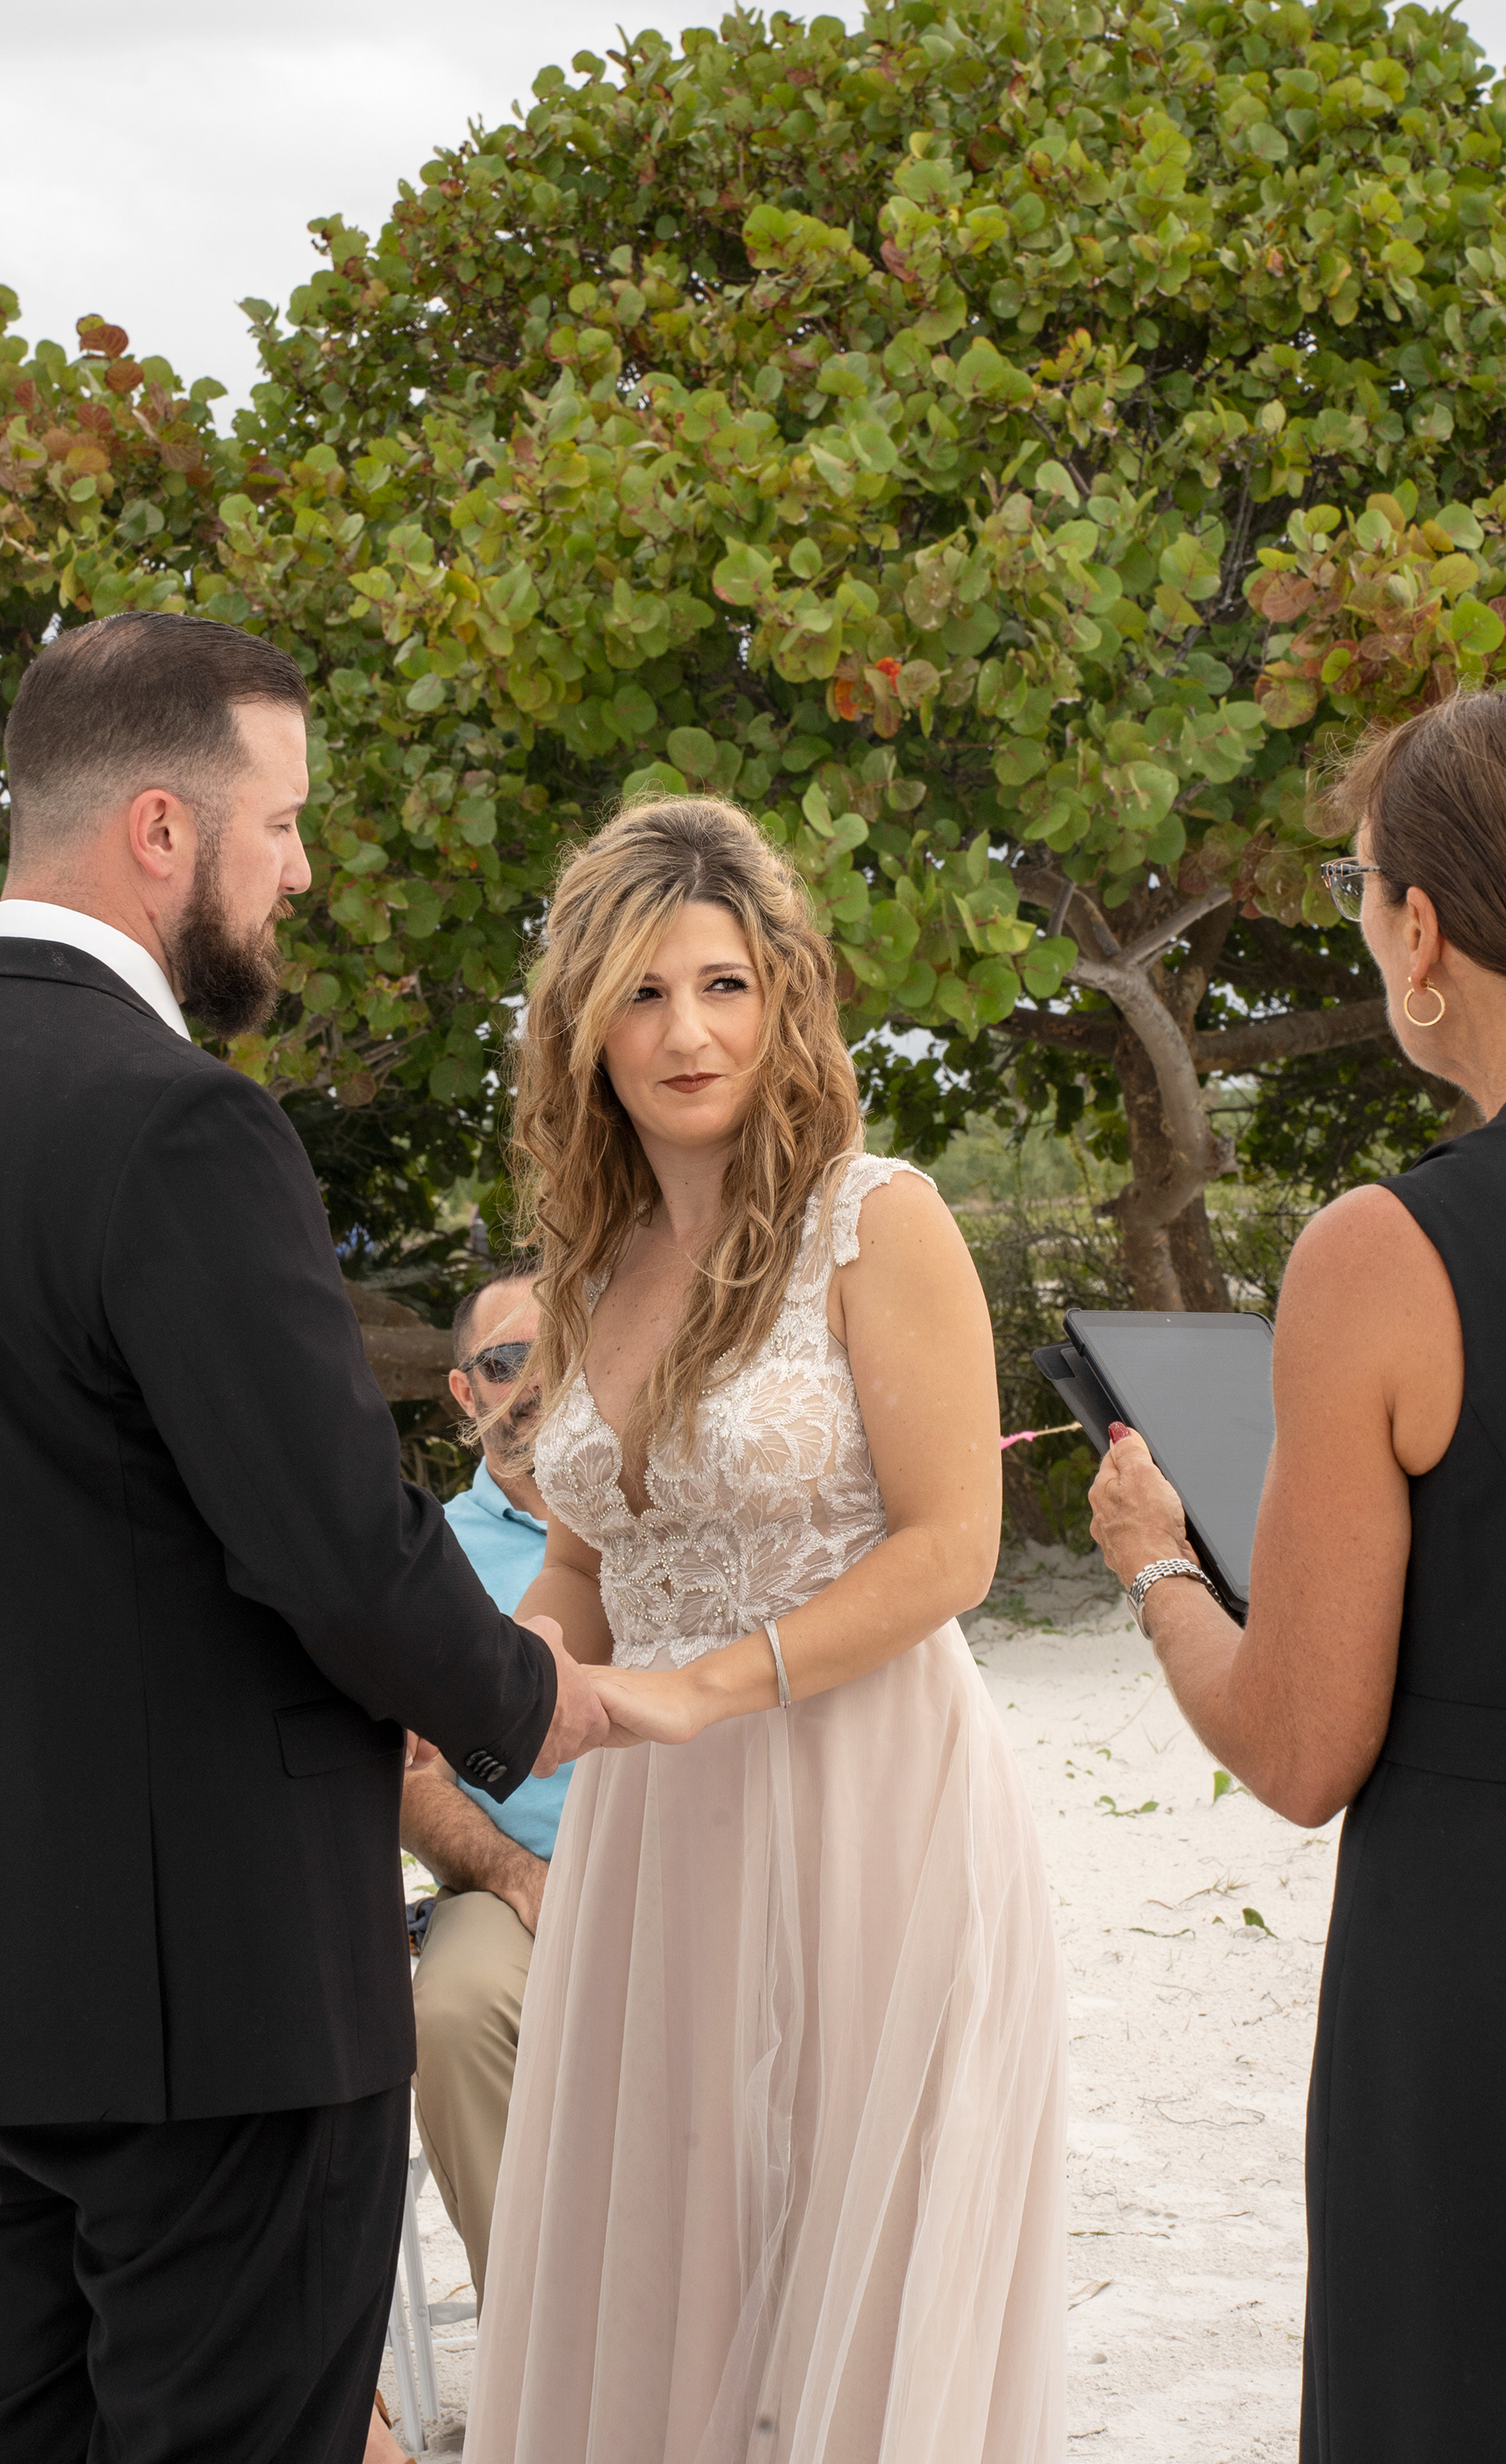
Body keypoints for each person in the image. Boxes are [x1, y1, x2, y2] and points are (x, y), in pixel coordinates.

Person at [0, 611, 606, 2464]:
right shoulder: (180, 1127)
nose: (302, 870)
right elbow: (335, 1547)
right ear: (163, 830)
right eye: (282, 823)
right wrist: (533, 1697)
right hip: (218, 1994)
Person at [463, 798, 1066, 2464]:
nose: (688, 1034)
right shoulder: (590, 1271)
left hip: (872, 1811)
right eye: (644, 996)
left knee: (845, 2292)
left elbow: (954, 1547)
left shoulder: (879, 1219)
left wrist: (696, 1691)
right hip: (657, 1846)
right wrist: (518, 1662)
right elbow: (582, 1564)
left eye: (723, 986)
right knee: (674, 2283)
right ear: (586, 1028)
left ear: (784, 997)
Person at [1087, 684, 1506, 2463]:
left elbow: (1301, 1744)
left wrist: (1159, 1570)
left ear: (1423, 932)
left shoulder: (1388, 1256)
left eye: (1358, 886)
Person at [399, 1264, 567, 2313]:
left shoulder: (677, 1511)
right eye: (507, 1363)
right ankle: (542, 2345)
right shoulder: (428, 1558)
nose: (537, 1382)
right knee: (453, 2012)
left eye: (563, 1349)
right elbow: (407, 1776)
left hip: (699, 1859)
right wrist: (515, 1875)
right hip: (512, 1885)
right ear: (466, 1391)